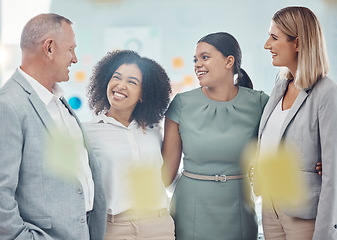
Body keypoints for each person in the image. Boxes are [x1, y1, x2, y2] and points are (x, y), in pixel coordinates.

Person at [0, 13, 106, 240]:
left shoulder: (58, 100)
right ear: (49, 48)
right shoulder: (8, 105)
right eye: (71, 49)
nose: (75, 58)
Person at [161, 32, 269, 240]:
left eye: (205, 57)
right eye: (195, 59)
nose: (197, 65)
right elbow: (166, 173)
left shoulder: (260, 103)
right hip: (189, 210)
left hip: (240, 209)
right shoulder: (182, 104)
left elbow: (282, 145)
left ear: (229, 61)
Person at [255, 6, 337, 239]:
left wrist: (325, 232)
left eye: (274, 37)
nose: (267, 45)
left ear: (298, 43)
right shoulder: (280, 87)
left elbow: (333, 173)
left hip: (303, 213)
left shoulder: (327, 92)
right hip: (271, 205)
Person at [84, 50, 175, 240]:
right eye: (116, 78)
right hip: (112, 228)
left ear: (144, 93)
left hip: (158, 225)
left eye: (132, 82)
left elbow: (167, 175)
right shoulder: (87, 132)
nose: (120, 85)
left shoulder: (154, 130)